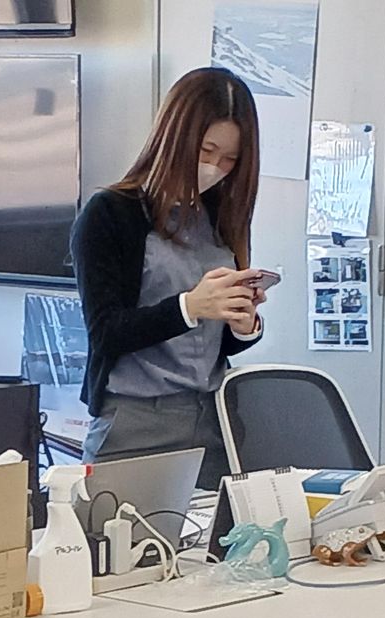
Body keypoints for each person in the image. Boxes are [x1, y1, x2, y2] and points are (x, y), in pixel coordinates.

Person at [70, 67, 266, 490]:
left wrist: (243, 323)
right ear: (175, 136)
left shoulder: (218, 215)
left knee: (222, 533)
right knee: (117, 532)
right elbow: (106, 332)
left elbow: (210, 344)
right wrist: (189, 307)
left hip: (213, 417)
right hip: (135, 420)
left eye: (230, 159)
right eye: (207, 151)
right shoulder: (110, 213)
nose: (215, 167)